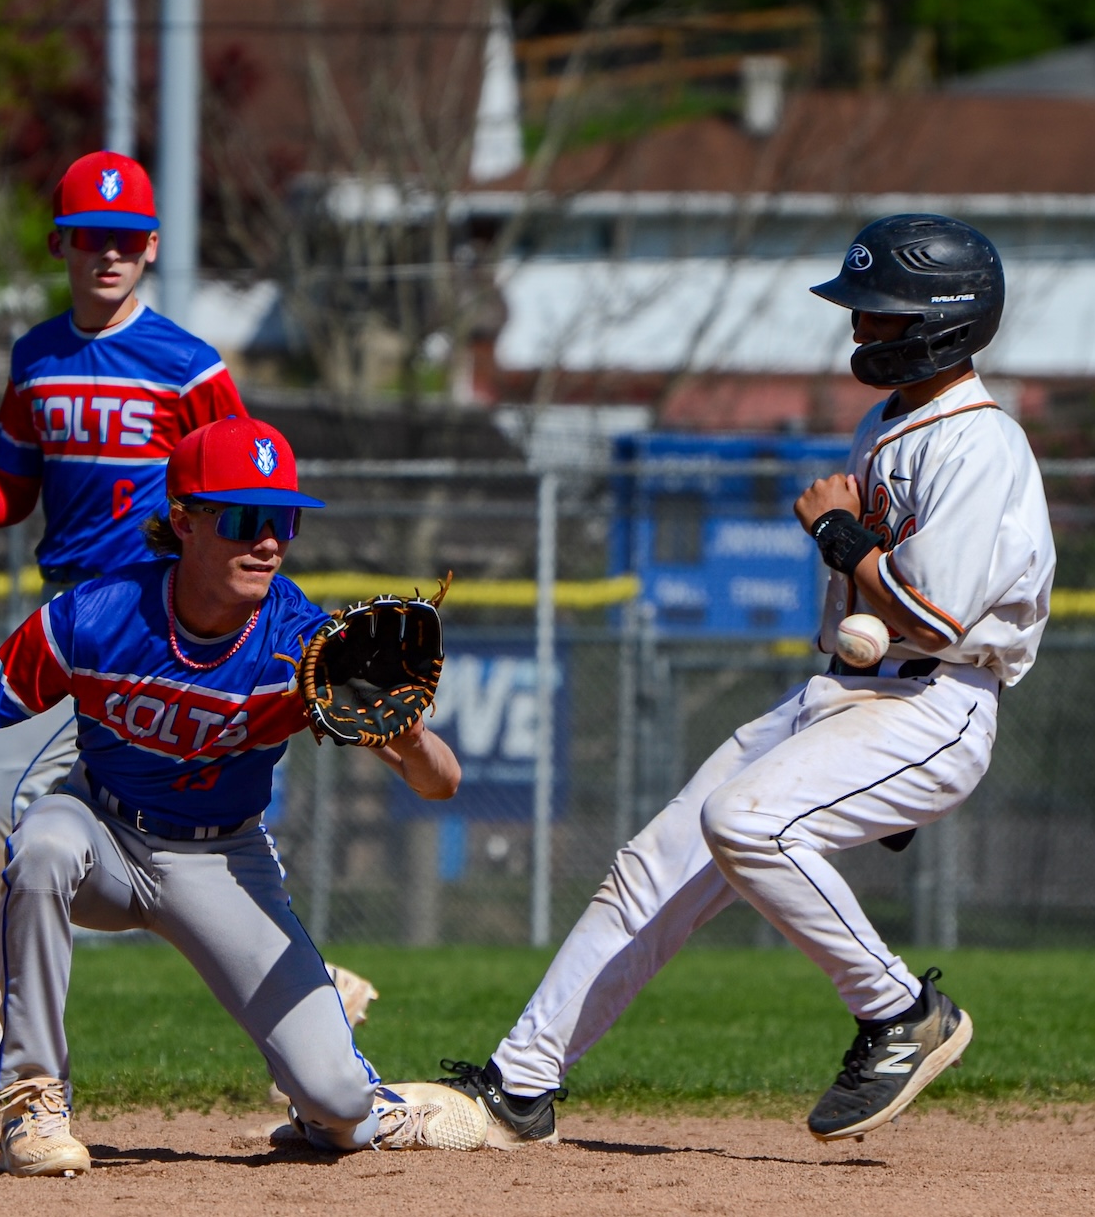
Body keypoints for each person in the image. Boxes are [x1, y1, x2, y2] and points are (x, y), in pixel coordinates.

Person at [431, 214, 1055, 1148]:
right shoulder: (888, 424)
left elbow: (935, 618)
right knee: (653, 865)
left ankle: (900, 1012)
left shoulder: (979, 443)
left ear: (942, 322)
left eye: (880, 312)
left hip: (932, 700)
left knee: (744, 822)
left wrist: (838, 535)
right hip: (852, 697)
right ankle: (519, 1086)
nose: (859, 327)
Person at [0, 417, 490, 1173]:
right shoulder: (95, 618)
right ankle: (34, 1104)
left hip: (221, 862)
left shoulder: (303, 645)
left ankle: (359, 1104)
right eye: (244, 518)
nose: (268, 542)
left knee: (339, 1105)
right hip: (100, 833)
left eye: (283, 520)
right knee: (41, 840)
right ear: (184, 520)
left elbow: (440, 784)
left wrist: (412, 737)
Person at [0, 150, 379, 1090]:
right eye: (89, 236)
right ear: (60, 245)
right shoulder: (36, 357)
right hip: (76, 619)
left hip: (149, 620)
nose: (107, 252)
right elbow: (15, 487)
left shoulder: (187, 366)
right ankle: (309, 980)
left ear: (150, 248)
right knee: (90, 821)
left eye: (125, 237)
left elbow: (245, 479)